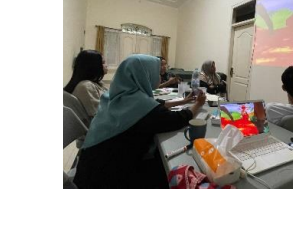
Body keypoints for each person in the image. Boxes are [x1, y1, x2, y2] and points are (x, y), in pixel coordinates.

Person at [73, 54, 207, 189]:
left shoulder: (118, 96)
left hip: (91, 168)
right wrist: (198, 105)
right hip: (107, 178)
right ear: (143, 75)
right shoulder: (141, 107)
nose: (160, 77)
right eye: (156, 73)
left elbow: (155, 105)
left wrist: (184, 101)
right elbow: (177, 119)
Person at [64, 50, 107, 117]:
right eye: (103, 63)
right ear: (93, 66)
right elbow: (98, 115)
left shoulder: (96, 83)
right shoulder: (86, 86)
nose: (106, 65)